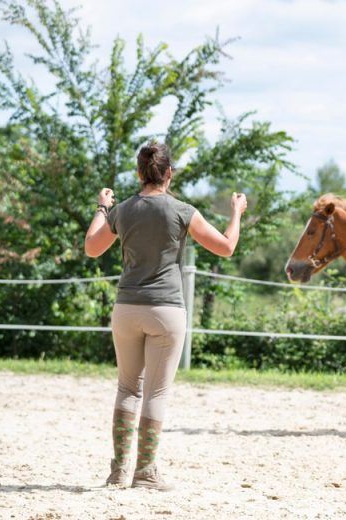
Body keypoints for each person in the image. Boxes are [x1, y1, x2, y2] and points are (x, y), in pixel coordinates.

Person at [84, 141, 247, 490]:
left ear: (140, 174)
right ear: (168, 173)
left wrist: (102, 207)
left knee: (127, 388)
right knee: (156, 393)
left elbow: (92, 247)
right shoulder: (182, 211)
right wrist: (236, 213)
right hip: (166, 310)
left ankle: (117, 473)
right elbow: (227, 247)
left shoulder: (123, 210)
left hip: (126, 307)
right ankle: (145, 473)